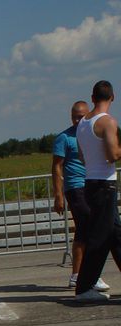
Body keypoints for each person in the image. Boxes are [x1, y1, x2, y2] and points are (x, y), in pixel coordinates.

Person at [52, 101, 110, 291]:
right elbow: (56, 166)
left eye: (81, 117)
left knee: (85, 230)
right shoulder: (64, 138)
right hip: (75, 187)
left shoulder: (89, 134)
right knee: (89, 227)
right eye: (74, 117)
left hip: (91, 185)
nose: (77, 120)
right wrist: (58, 195)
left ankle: (80, 275)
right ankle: (86, 275)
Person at [74, 80, 121, 302]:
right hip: (105, 185)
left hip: (91, 182)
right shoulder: (107, 122)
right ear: (113, 97)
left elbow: (82, 156)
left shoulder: (83, 123)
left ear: (92, 98)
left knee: (116, 235)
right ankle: (84, 288)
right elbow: (113, 155)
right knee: (100, 239)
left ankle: (84, 286)